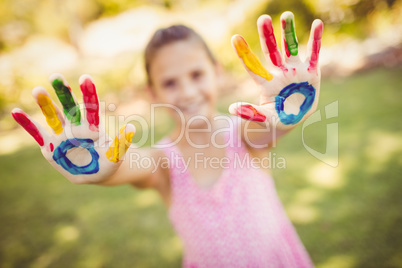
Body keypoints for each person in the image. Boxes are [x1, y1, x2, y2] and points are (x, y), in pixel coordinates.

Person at [11, 11, 323, 268]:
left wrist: (289, 113)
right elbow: (125, 164)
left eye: (197, 75)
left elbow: (269, 130)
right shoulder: (162, 161)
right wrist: (94, 165)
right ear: (153, 93)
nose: (187, 92)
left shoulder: (242, 131)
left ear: (216, 72)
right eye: (170, 82)